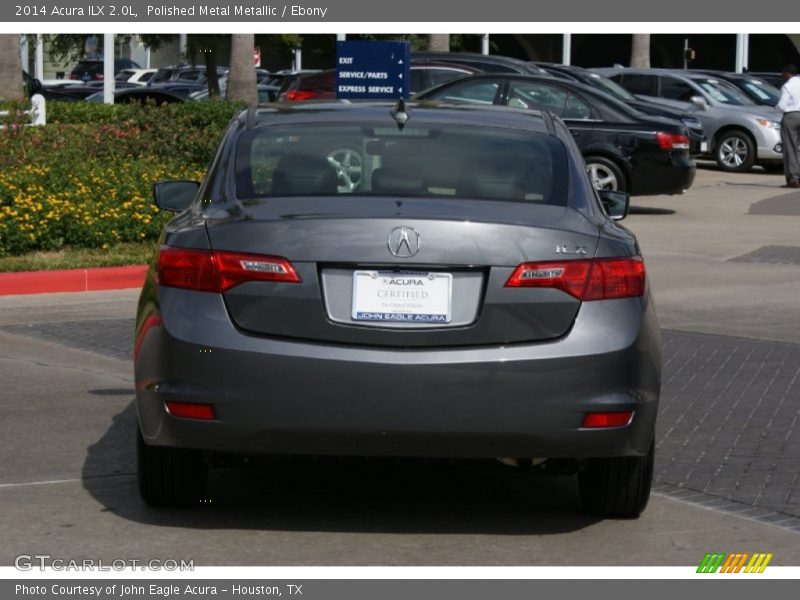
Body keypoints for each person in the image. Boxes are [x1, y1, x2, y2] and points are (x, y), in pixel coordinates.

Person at [778, 64, 800, 188]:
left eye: (783, 72)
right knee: (799, 148)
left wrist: (775, 108)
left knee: (790, 148)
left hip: (791, 116)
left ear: (787, 73)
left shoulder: (787, 86)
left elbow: (782, 105)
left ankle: (793, 178)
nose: (782, 75)